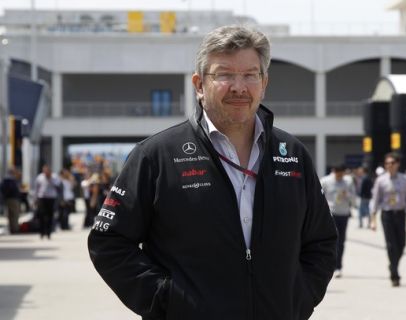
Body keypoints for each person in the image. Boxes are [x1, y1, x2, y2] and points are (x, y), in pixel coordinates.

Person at [88, 25, 337, 320]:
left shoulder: (292, 155)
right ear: (199, 84)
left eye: (250, 75)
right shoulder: (156, 155)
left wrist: (299, 298)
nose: (239, 87)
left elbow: (321, 241)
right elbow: (109, 241)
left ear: (264, 82)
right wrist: (168, 301)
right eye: (224, 74)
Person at [370, 153, 406, 287]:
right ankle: (395, 274)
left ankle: (393, 265)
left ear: (397, 164)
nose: (389, 165)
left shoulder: (405, 179)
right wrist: (373, 219)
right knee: (391, 245)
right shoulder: (381, 180)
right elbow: (375, 199)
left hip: (400, 214)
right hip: (387, 214)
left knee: (401, 244)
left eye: (392, 163)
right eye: (387, 163)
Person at [321, 164, 356, 278]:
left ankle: (338, 266)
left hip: (343, 214)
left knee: (341, 241)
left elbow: (354, 198)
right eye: (337, 174)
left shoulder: (348, 182)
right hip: (331, 214)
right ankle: (329, 264)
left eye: (341, 174)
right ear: (333, 172)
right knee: (331, 240)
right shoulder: (325, 181)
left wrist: (348, 195)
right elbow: (319, 197)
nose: (339, 176)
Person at [34, 165, 60, 239]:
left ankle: (49, 233)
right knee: (41, 215)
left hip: (51, 198)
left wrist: (50, 178)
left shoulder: (54, 177)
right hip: (42, 198)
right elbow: (36, 189)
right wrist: (35, 199)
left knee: (50, 216)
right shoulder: (40, 177)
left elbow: (58, 186)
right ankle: (42, 232)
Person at [0, 167, 21, 234]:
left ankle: (11, 228)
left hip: (7, 199)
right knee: (15, 215)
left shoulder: (5, 179)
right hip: (14, 199)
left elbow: (2, 189)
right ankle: (15, 229)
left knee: (9, 215)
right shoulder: (12, 180)